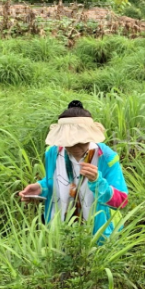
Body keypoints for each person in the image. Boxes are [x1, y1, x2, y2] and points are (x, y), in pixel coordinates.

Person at [19, 100, 128, 240]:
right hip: (60, 233)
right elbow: (57, 183)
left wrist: (98, 181)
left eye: (81, 141)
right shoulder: (53, 153)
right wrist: (41, 188)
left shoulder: (106, 157)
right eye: (69, 141)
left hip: (98, 235)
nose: (75, 146)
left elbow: (122, 201)